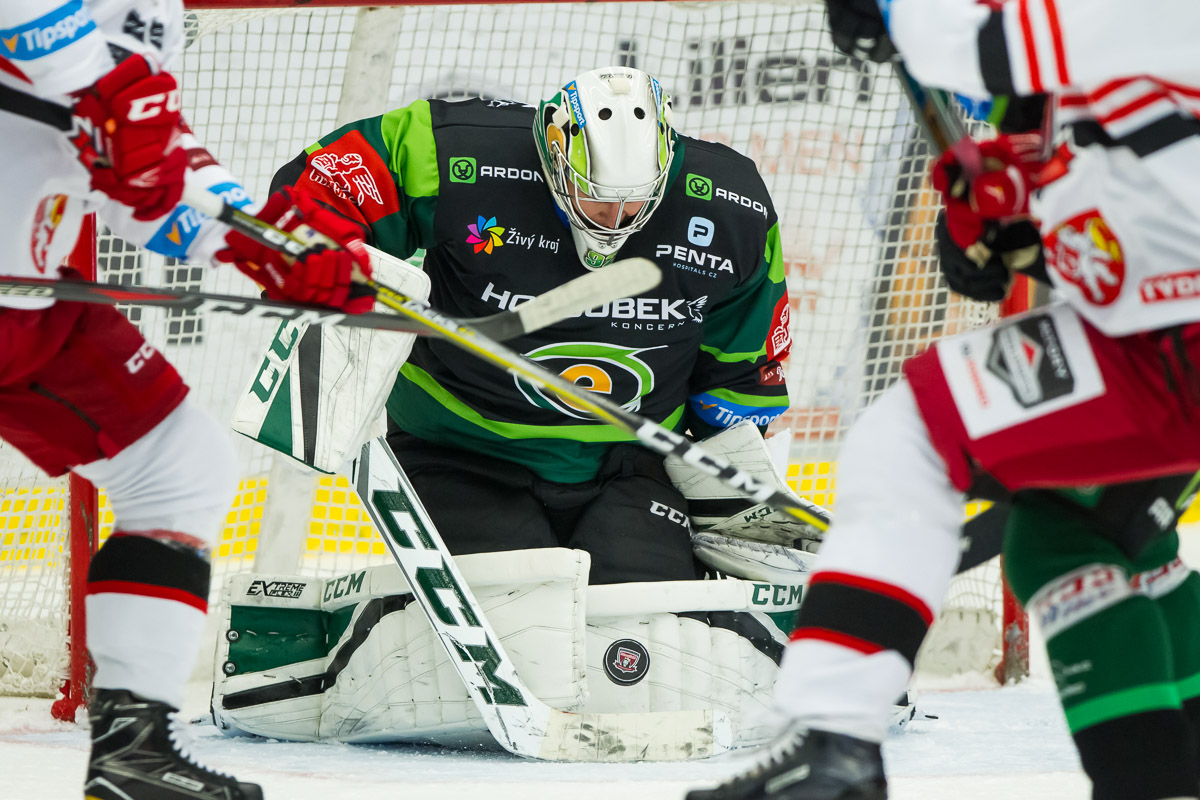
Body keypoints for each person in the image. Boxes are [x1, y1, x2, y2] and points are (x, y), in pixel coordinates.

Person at [685, 0, 1200, 797]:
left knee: (908, 439)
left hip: (1169, 349)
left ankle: (833, 742)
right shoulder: (1104, 73)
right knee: (1070, 533)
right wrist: (1019, 215)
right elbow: (1118, 174)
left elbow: (971, 41)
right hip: (1154, 340)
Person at [0, 3, 376, 799]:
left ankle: (134, 755)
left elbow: (140, 181)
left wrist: (265, 240)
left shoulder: (157, 13)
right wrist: (94, 79)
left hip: (26, 307)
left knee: (179, 465)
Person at [264, 66, 792, 586]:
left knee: (650, 622)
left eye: (635, 200)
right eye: (598, 197)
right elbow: (321, 184)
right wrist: (315, 256)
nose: (617, 218)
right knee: (517, 614)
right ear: (557, 159)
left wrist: (738, 487)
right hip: (460, 448)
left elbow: (742, 365)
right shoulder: (455, 152)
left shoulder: (734, 207)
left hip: (633, 463)